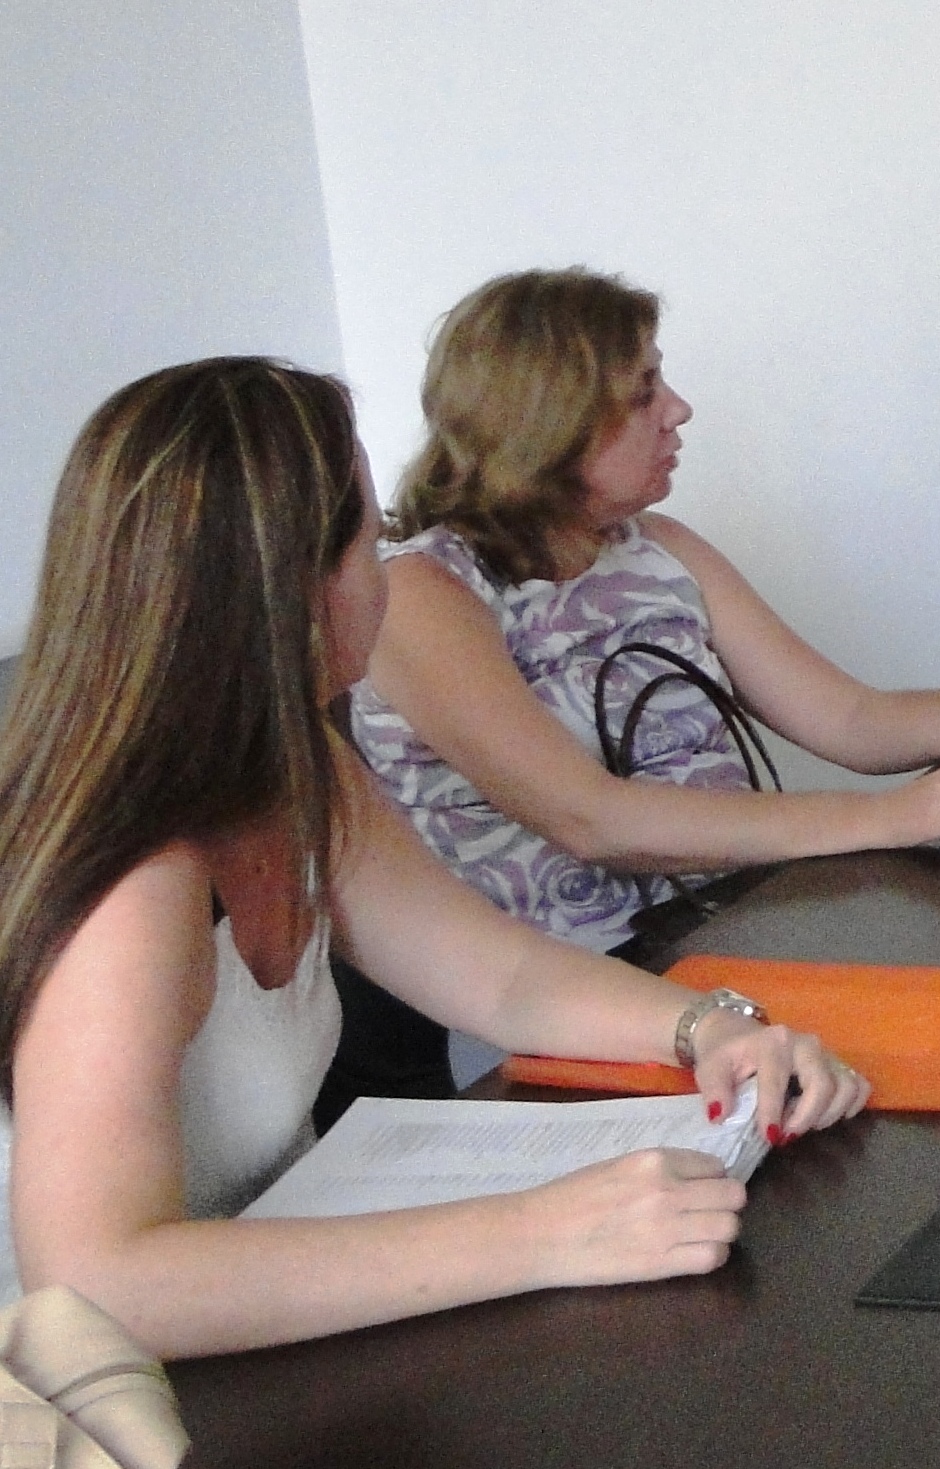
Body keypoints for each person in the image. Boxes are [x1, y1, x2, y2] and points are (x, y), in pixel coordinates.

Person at [0, 357, 871, 1359]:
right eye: (371, 538)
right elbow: (95, 1286)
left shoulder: (296, 765)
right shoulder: (135, 890)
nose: (389, 566)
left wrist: (709, 1027)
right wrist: (547, 1231)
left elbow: (499, 978)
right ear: (294, 586)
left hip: (267, 1336)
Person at [340, 268, 940, 1108]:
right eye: (644, 391)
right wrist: (889, 815)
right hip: (556, 1023)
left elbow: (848, 718)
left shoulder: (659, 548)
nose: (678, 409)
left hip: (719, 953)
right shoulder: (422, 595)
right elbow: (591, 818)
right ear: (549, 421)